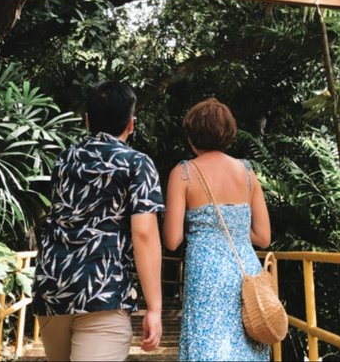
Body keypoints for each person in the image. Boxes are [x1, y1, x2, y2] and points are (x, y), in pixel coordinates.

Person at [33, 81, 164, 361]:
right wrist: (154, 308)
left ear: (87, 120)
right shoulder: (137, 164)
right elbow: (144, 234)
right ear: (131, 124)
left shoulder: (64, 159)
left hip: (53, 286)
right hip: (102, 287)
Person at [162, 98, 272, 361]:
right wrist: (232, 228)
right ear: (229, 133)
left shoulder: (183, 173)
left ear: (192, 135)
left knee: (207, 346)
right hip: (246, 273)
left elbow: (172, 240)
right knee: (248, 348)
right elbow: (263, 237)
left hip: (206, 274)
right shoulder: (247, 173)